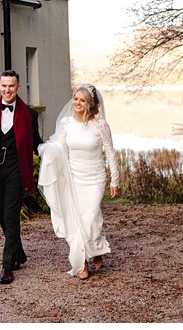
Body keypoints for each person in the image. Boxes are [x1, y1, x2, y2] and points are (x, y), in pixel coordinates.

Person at [37, 83, 120, 280]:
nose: (77, 103)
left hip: (95, 178)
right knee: (76, 220)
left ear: (90, 104)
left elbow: (110, 152)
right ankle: (81, 262)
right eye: (75, 99)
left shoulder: (100, 125)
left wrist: (114, 180)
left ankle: (96, 248)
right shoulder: (67, 123)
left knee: (90, 218)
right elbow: (60, 146)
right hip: (74, 177)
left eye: (82, 100)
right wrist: (48, 151)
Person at [0, 70, 36, 285]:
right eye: (4, 86)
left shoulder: (29, 114)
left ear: (18, 87)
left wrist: (54, 152)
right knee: (2, 216)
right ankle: (19, 252)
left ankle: (7, 266)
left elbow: (36, 142)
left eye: (11, 86)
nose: (7, 90)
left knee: (11, 216)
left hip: (16, 171)